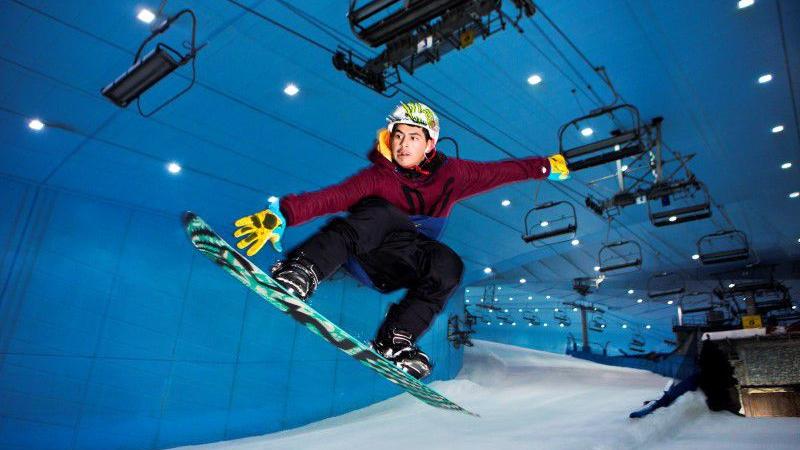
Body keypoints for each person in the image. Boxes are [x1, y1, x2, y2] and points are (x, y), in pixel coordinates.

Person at [233, 102, 570, 379]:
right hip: (361, 253)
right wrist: (284, 214)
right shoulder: (378, 176)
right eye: (398, 136)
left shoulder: (453, 175)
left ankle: (395, 339)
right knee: (382, 213)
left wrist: (545, 167)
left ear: (429, 145)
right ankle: (301, 271)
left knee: (450, 264)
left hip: (398, 269)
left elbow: (501, 172)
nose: (403, 145)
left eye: (413, 137)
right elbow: (334, 197)